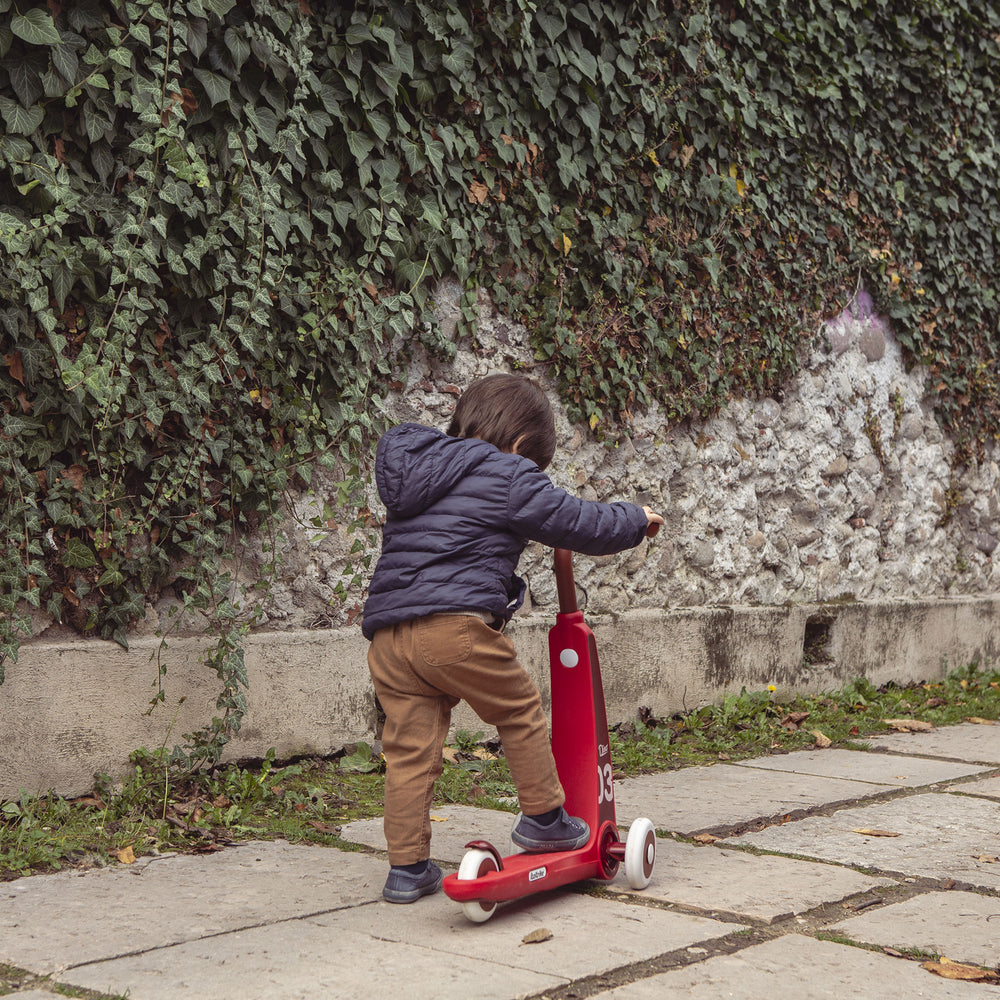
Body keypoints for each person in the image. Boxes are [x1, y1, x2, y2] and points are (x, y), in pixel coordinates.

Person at [361, 374, 664, 903]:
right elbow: (575, 521)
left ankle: (406, 869)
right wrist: (633, 519)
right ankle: (544, 818)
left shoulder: (419, 470)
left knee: (409, 750)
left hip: (388, 639)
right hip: (452, 628)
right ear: (522, 444)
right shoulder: (505, 471)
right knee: (518, 708)